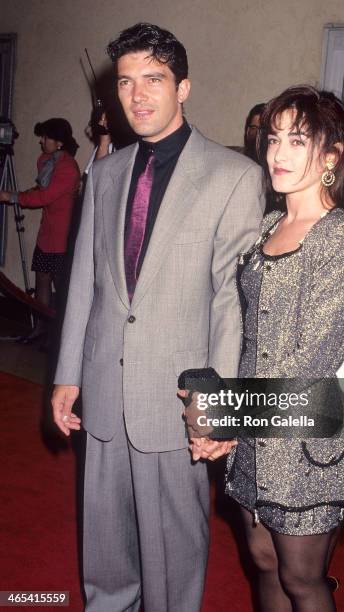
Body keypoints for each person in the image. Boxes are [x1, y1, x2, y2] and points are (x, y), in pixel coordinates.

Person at [51, 22, 263, 612]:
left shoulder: (233, 176)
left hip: (178, 399)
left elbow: (232, 301)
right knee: (106, 554)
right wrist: (68, 373)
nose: (138, 95)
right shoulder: (105, 174)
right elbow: (87, 286)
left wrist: (216, 407)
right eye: (125, 82)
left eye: (154, 79)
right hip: (103, 384)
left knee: (173, 556)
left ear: (183, 87)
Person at [223, 85, 344, 611]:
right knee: (263, 562)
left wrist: (225, 412)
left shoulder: (342, 235)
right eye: (273, 139)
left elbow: (315, 354)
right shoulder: (268, 225)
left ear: (331, 154)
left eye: (298, 140)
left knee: (303, 580)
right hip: (254, 436)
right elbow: (244, 330)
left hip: (306, 438)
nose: (278, 154)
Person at [0, 118, 80, 344]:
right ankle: (40, 329)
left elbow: (44, 196)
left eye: (46, 137)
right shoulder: (48, 161)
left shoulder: (67, 168)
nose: (41, 141)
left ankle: (63, 336)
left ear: (60, 142)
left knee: (62, 287)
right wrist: (19, 194)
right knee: (42, 280)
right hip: (48, 233)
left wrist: (11, 196)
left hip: (62, 236)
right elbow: (39, 188)